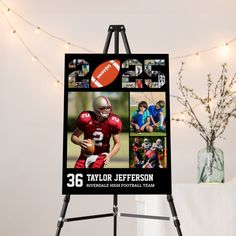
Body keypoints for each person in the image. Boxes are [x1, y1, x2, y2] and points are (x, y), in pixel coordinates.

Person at [71, 96, 122, 168]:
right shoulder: (86, 119)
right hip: (86, 152)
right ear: (95, 108)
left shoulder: (113, 121)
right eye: (103, 108)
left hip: (101, 155)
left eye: (108, 107)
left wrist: (110, 154)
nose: (106, 110)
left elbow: (117, 143)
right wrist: (79, 142)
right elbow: (74, 136)